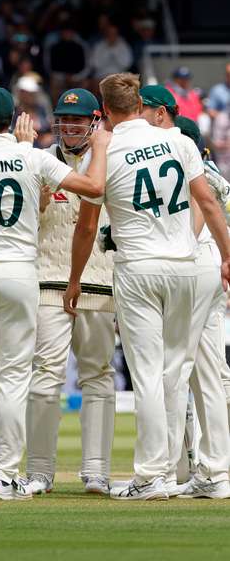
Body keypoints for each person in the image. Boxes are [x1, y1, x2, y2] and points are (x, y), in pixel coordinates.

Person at [66, 73, 230, 500]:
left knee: (148, 376)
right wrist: (228, 257)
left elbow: (86, 228)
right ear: (139, 104)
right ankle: (197, 472)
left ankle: (152, 475)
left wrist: (75, 279)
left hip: (138, 268)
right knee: (178, 373)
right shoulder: (179, 140)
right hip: (186, 265)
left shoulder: (104, 151)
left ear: (105, 110)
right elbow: (208, 202)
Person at [0, 86, 106, 501]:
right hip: (21, 274)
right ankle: (3, 477)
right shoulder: (32, 156)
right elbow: (92, 186)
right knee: (15, 378)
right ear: (14, 119)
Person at [133, 87, 230, 498]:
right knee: (210, 375)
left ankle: (162, 471)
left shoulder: (186, 167)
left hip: (193, 264)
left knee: (172, 369)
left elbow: (194, 220)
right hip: (215, 272)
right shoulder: (219, 176)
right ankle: (215, 471)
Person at [26, 89, 116, 496]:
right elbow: (20, 224)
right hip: (49, 279)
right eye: (64, 120)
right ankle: (40, 471)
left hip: (97, 280)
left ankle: (96, 471)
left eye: (78, 120)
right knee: (45, 377)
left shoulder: (110, 158)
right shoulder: (40, 159)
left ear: (94, 121)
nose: (69, 127)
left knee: (98, 375)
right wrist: (38, 202)